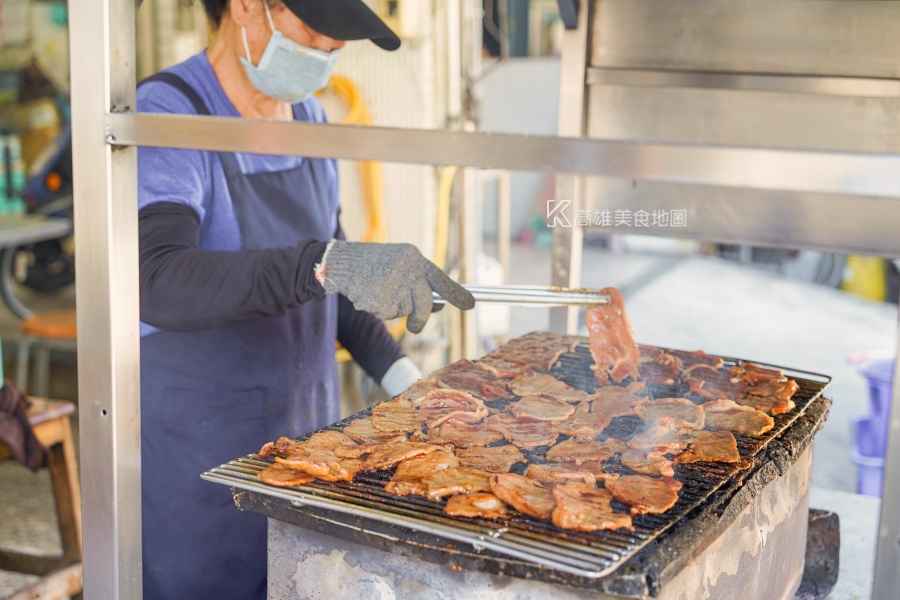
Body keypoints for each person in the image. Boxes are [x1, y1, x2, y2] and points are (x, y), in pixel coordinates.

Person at [136, 1, 474, 597]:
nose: (330, 46)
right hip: (202, 459)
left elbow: (334, 281)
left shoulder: (308, 117)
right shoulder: (169, 112)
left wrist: (407, 383)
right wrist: (318, 263)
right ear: (245, 6)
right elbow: (158, 281)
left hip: (305, 447)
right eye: (313, 26)